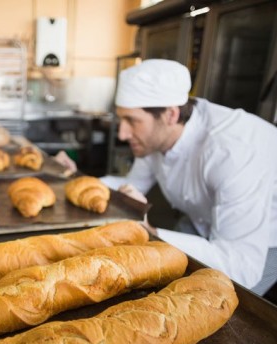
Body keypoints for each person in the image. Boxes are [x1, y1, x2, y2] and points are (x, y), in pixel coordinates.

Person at [54, 58, 277, 297]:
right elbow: (131, 185)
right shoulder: (157, 136)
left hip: (260, 243)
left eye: (132, 121)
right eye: (122, 119)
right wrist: (75, 179)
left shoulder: (231, 152)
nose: (122, 134)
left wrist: (152, 231)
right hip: (200, 220)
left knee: (226, 304)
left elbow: (241, 266)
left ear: (171, 115)